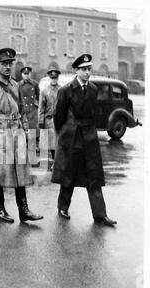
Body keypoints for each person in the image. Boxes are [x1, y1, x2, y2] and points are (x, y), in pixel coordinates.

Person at [0, 48, 43, 223]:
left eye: (10, 63)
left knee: (20, 171)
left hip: (16, 131)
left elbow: (21, 110)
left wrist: (27, 131)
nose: (8, 67)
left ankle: (24, 209)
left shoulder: (15, 85)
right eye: (4, 64)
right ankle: (0, 209)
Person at [51, 54, 117, 226]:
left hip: (89, 137)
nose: (88, 73)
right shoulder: (65, 90)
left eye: (89, 69)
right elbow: (58, 116)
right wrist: (64, 134)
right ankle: (63, 207)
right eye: (84, 69)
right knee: (69, 173)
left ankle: (100, 215)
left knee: (94, 175)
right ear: (77, 70)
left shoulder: (94, 89)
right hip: (71, 137)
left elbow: (93, 113)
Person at [38, 67, 61, 169]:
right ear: (49, 78)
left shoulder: (62, 90)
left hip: (59, 119)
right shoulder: (44, 91)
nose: (54, 80)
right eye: (52, 78)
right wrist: (40, 120)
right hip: (49, 119)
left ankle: (57, 162)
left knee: (58, 142)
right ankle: (54, 162)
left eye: (55, 78)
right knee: (51, 143)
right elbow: (41, 107)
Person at [18, 66, 40, 156]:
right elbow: (17, 97)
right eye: (25, 74)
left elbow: (39, 96)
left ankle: (35, 145)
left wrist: (37, 105)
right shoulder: (19, 85)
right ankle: (25, 144)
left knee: (33, 127)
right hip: (24, 109)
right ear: (22, 75)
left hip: (32, 109)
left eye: (28, 74)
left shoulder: (34, 84)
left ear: (30, 74)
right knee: (25, 127)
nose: (26, 76)